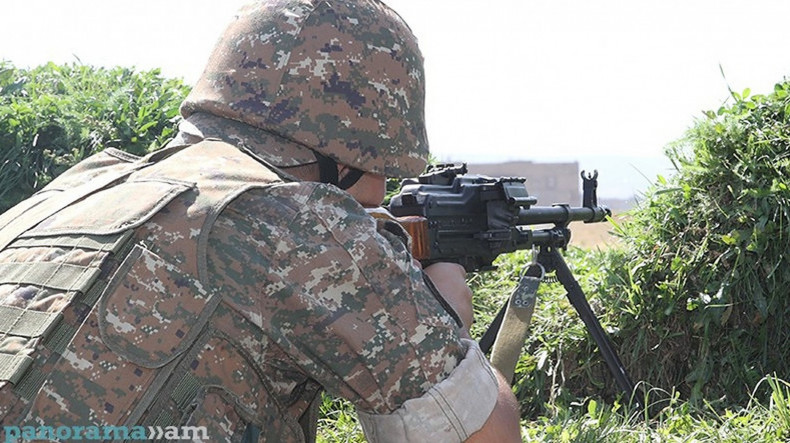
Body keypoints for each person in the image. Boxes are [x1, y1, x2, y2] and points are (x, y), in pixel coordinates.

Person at [0, 0, 520, 441]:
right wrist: (446, 311)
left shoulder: (84, 183)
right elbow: (482, 435)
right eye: (384, 168)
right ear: (351, 155)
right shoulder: (303, 220)